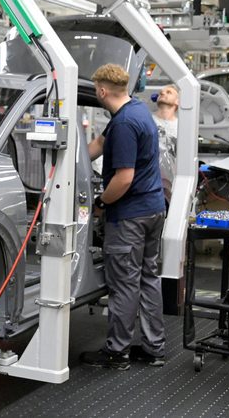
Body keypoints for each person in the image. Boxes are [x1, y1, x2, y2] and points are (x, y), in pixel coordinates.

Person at [79, 64, 167, 370]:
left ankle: (117, 352)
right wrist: (73, 159)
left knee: (125, 284)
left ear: (102, 91)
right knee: (148, 278)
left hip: (130, 216)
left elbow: (124, 178)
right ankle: (154, 348)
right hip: (153, 209)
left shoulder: (125, 124)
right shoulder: (136, 111)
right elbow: (100, 145)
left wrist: (101, 202)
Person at [152, 85, 179, 205]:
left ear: (178, 102)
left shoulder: (183, 126)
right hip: (150, 180)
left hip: (174, 183)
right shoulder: (147, 120)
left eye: (169, 92)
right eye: (161, 92)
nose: (163, 93)